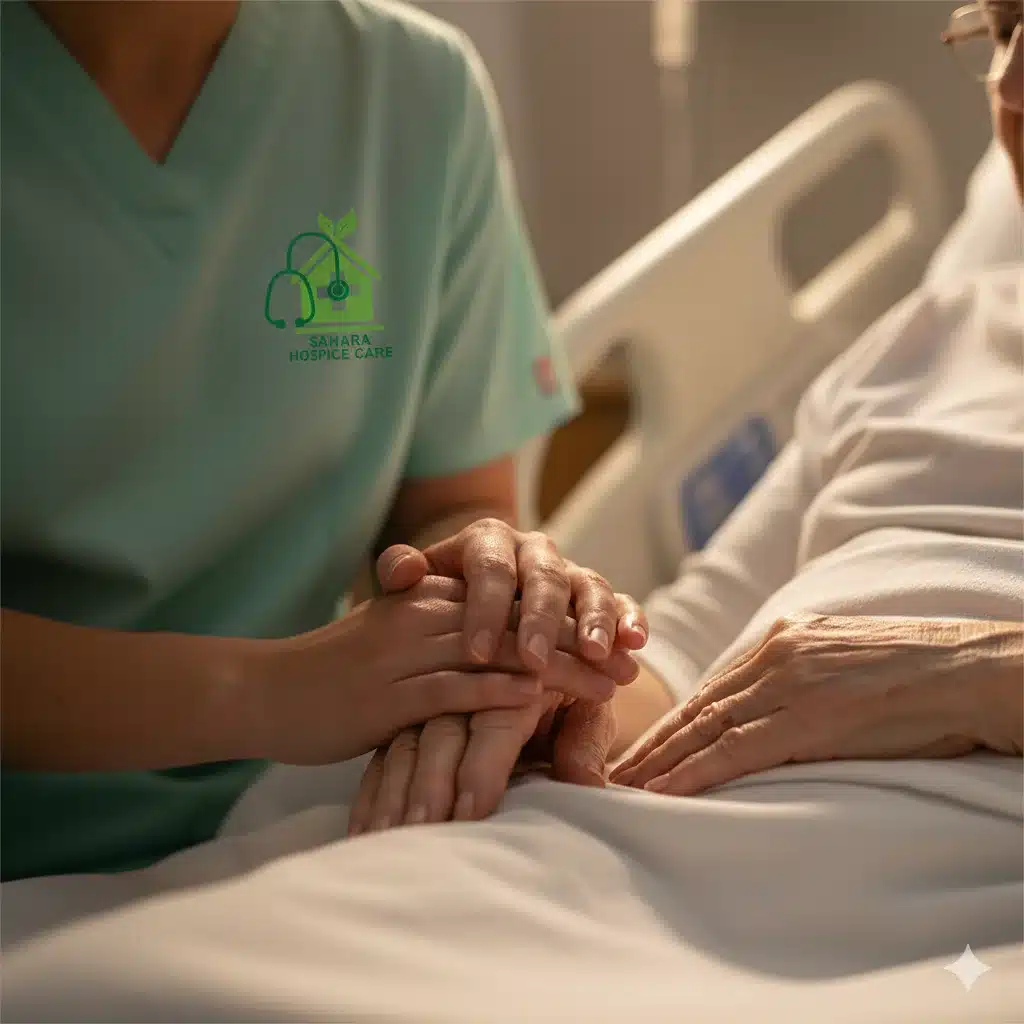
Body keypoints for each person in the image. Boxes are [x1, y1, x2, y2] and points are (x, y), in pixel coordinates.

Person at [0, 0, 650, 885]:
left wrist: (484, 595)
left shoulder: (413, 91)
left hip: (303, 813)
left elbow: (447, 504)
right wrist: (278, 691)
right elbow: (303, 691)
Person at [350, 0, 1023, 830]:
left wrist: (970, 676)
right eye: (1006, 28)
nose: (1015, 84)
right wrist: (560, 687)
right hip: (682, 829)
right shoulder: (927, 340)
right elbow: (687, 645)